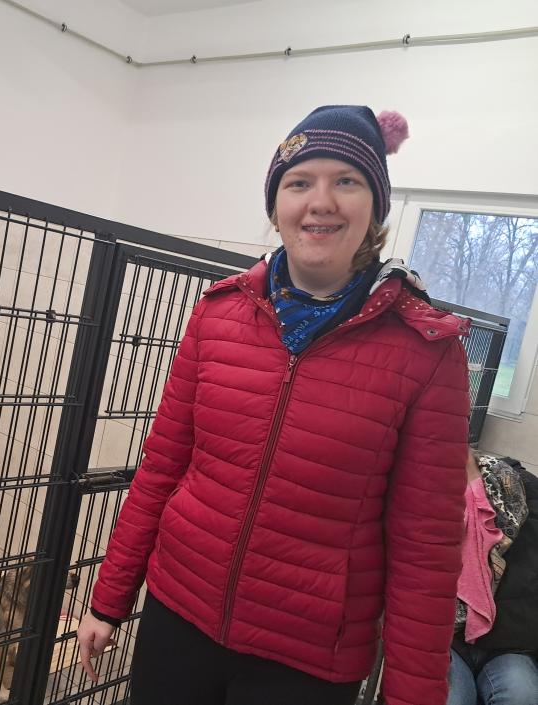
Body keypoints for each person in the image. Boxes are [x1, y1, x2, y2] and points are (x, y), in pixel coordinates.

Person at [75, 105, 472, 705]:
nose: (321, 202)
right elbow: (162, 469)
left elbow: (426, 546)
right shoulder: (218, 314)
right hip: (178, 614)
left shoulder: (426, 351)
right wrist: (109, 600)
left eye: (346, 181)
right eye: (299, 182)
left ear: (375, 206)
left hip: (309, 657)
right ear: (276, 205)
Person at [447, 451, 538, 705]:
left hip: (509, 647)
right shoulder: (439, 499)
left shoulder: (526, 498)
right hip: (448, 640)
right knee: (449, 698)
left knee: (521, 695)